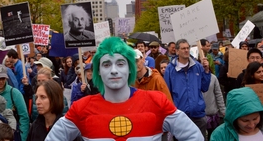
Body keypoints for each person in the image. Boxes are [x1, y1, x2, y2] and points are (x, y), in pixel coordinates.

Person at [45, 36, 203, 141]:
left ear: (130, 68)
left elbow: (194, 136)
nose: (114, 70)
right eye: (106, 64)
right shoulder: (81, 108)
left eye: (120, 63)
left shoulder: (157, 102)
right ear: (98, 71)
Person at [164, 39, 211, 139]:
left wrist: (206, 71)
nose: (186, 50)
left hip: (198, 115)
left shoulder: (197, 66)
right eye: (183, 48)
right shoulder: (170, 69)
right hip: (180, 116)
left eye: (187, 48)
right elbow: (167, 93)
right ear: (177, 51)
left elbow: (205, 87)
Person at [0, 64, 30, 141]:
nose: (1, 81)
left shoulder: (14, 93)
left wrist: (22, 137)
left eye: (3, 79)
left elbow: (24, 116)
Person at [202, 73, 226, 140]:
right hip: (198, 116)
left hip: (212, 115)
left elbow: (218, 94)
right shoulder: (192, 78)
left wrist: (223, 110)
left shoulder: (213, 77)